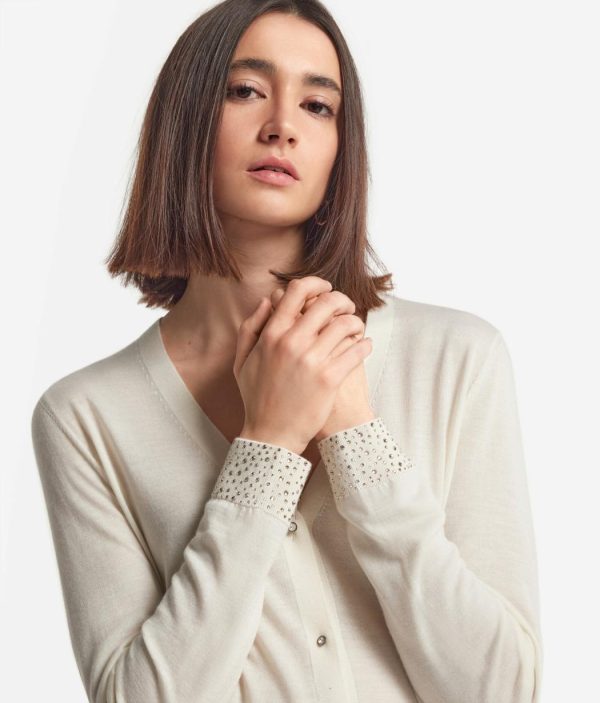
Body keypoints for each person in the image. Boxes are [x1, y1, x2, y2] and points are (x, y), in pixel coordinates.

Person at [30, 1, 543, 702]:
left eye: (317, 105)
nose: (283, 126)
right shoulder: (86, 416)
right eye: (245, 91)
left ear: (340, 147)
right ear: (184, 122)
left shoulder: (458, 359)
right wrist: (267, 445)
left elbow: (502, 689)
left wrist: (355, 431)